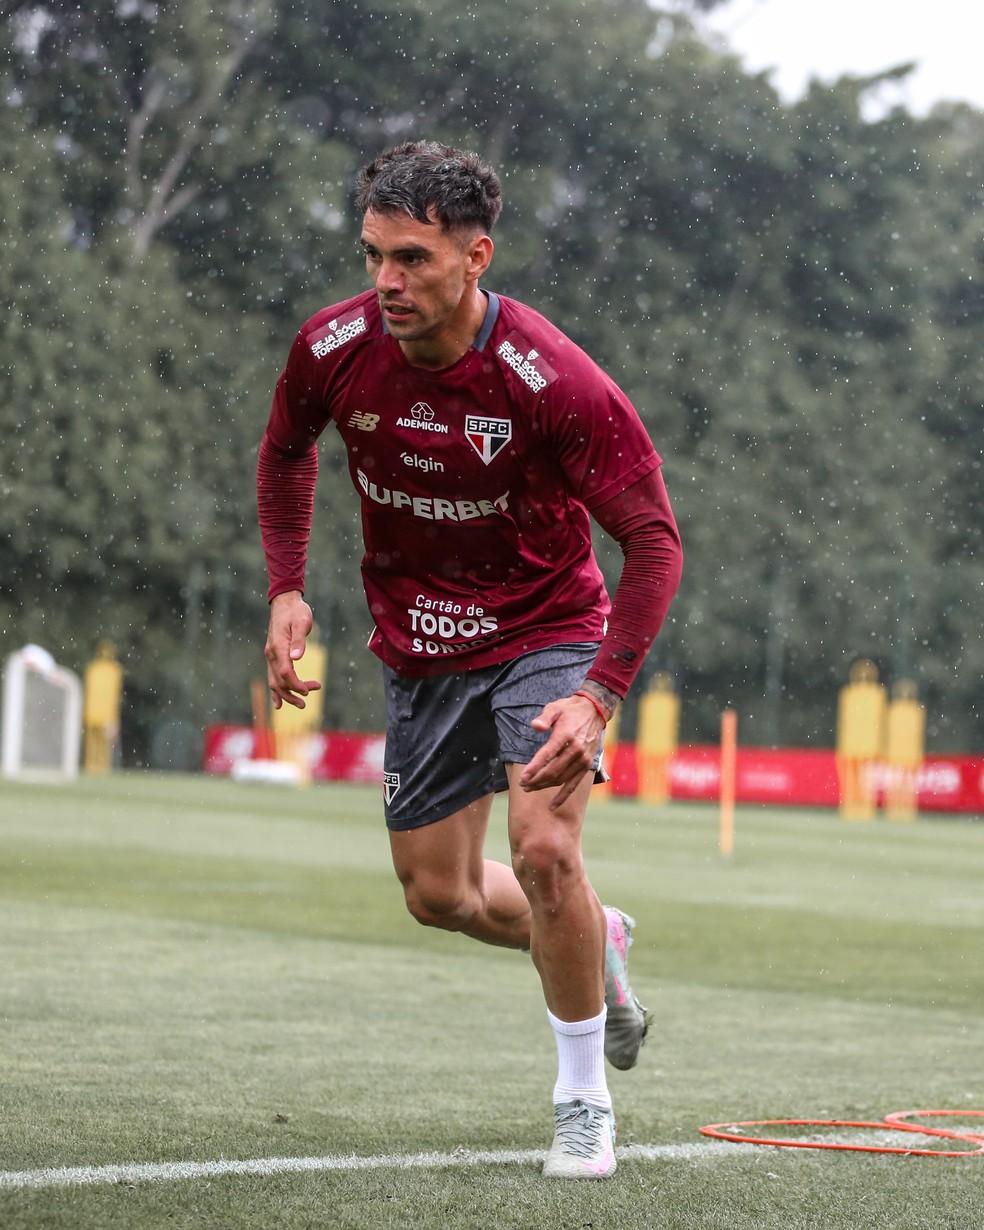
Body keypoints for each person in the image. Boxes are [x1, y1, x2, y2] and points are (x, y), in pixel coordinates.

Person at [258, 141, 683, 1180]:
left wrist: (599, 693)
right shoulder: (332, 348)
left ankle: (582, 1102)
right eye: (372, 257)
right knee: (436, 895)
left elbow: (654, 539)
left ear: (476, 255)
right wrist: (285, 585)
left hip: (546, 632)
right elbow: (284, 452)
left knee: (545, 852)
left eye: (411, 260)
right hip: (420, 646)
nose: (386, 284)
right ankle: (596, 939)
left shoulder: (551, 378)